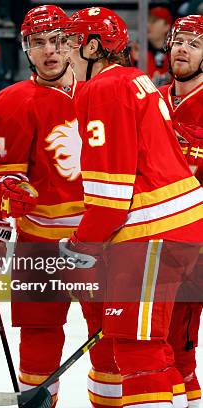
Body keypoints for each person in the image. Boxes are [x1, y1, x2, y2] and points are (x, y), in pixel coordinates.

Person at [61, 7, 203, 408]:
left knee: (138, 349)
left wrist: (79, 246)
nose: (66, 54)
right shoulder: (136, 79)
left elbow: (110, 200)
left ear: (92, 46)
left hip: (153, 230)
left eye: (71, 43)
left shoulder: (102, 89)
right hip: (177, 226)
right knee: (158, 346)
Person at [0, 5, 118, 407]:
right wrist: (7, 188)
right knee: (39, 339)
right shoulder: (11, 102)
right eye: (39, 42)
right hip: (40, 243)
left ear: (76, 42)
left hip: (101, 238)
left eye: (59, 40)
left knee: (110, 339)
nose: (50, 51)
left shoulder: (105, 90)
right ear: (25, 48)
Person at [158, 14, 203, 408]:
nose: (182, 49)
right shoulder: (153, 99)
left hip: (195, 245)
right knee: (154, 347)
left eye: (194, 43)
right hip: (154, 240)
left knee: (180, 349)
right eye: (178, 41)